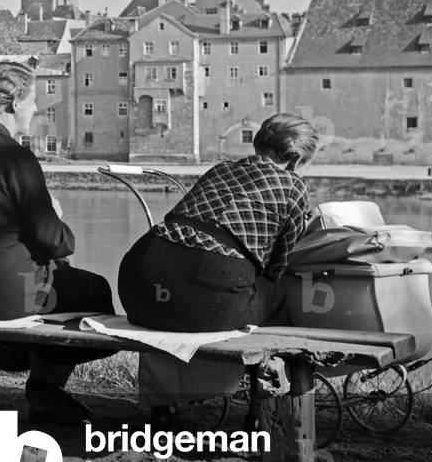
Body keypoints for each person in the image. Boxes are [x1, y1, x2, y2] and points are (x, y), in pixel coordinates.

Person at [0, 61, 115, 425]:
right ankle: (43, 385)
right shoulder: (15, 157)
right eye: (31, 101)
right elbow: (55, 241)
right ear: (13, 103)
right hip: (9, 295)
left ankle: (12, 353)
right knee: (94, 291)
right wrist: (57, 214)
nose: (36, 109)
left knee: (53, 276)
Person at [118, 112, 321, 332]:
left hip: (137, 288)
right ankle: (271, 364)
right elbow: (278, 266)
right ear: (296, 160)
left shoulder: (220, 169)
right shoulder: (293, 186)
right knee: (279, 293)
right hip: (206, 302)